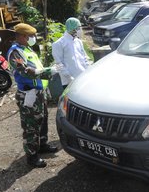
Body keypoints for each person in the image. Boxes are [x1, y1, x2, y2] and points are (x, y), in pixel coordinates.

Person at [7, 23, 59, 168]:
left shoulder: (26, 48)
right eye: (31, 36)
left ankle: (42, 145)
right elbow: (26, 72)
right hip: (28, 94)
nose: (34, 38)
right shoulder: (15, 52)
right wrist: (48, 71)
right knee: (31, 126)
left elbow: (36, 67)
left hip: (38, 92)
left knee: (42, 120)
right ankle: (32, 156)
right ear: (23, 37)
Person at [52, 17, 90, 90]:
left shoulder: (78, 42)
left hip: (82, 78)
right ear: (73, 28)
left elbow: (84, 57)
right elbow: (59, 63)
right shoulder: (59, 44)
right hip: (69, 81)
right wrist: (69, 78)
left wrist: (88, 70)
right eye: (78, 28)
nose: (80, 30)